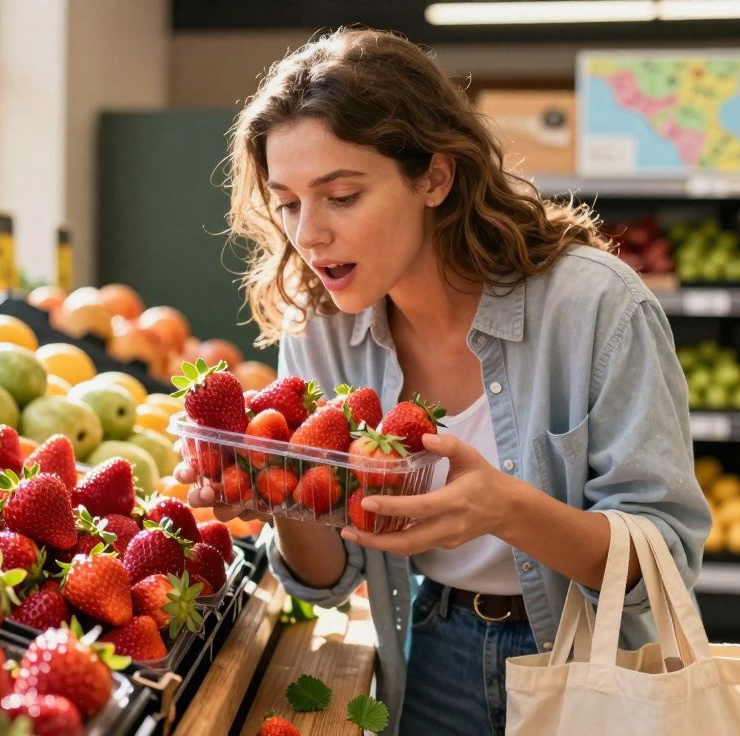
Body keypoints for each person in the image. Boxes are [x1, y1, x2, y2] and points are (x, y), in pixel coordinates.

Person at [179, 28, 712, 735]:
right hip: (428, 653)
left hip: (597, 665)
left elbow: (664, 558)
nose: (308, 235)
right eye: (288, 202)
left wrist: (506, 510)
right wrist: (271, 486)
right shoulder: (324, 326)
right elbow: (328, 578)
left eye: (340, 195)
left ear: (435, 177)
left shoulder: (595, 307)